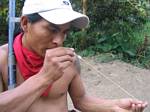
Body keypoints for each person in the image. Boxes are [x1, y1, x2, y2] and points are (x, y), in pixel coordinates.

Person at [0, 0, 148, 112]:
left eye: (65, 32)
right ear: (25, 23)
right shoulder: (3, 59)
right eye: (52, 29)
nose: (59, 41)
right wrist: (44, 77)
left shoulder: (68, 61)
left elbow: (81, 100)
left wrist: (114, 106)